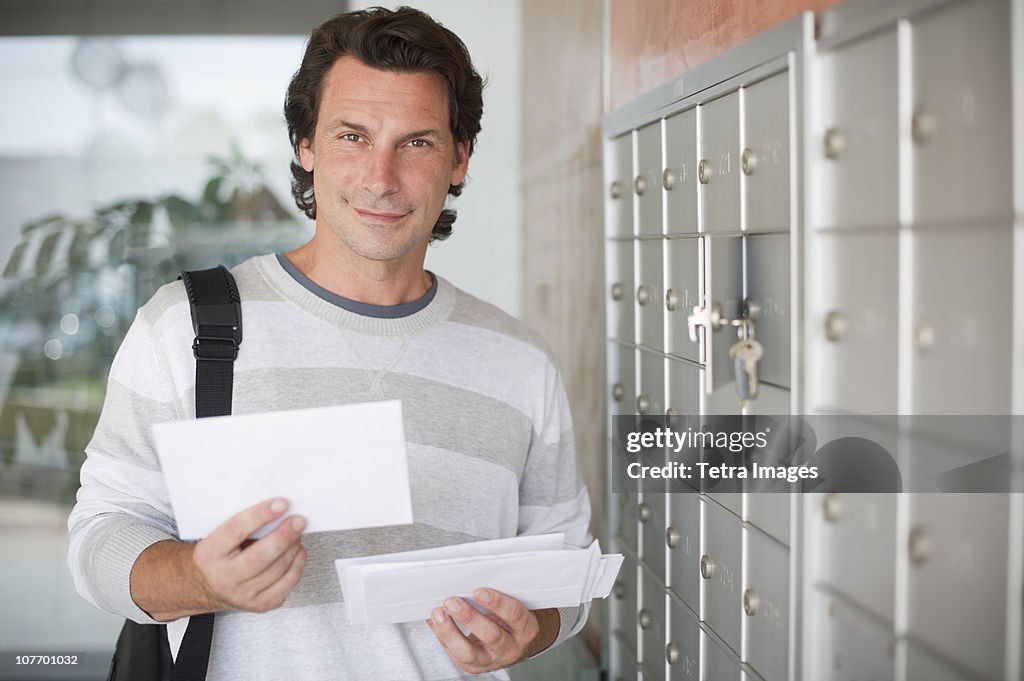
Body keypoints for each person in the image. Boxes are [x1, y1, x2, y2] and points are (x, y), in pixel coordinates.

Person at [67, 6, 592, 680]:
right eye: (352, 136)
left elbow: (563, 572)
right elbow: (98, 540)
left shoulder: (521, 362)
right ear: (306, 147)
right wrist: (201, 580)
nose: (380, 177)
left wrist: (529, 628)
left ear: (459, 160)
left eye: (419, 142)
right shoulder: (186, 328)